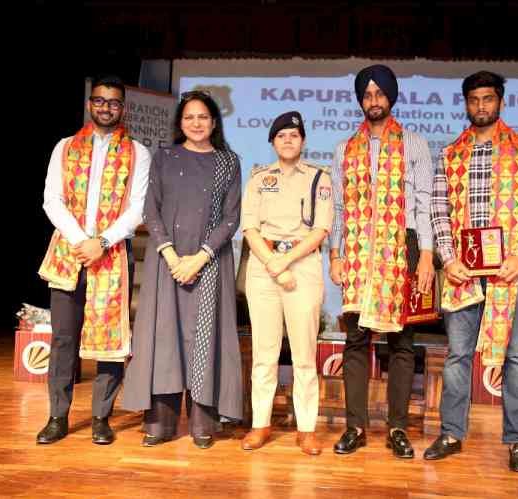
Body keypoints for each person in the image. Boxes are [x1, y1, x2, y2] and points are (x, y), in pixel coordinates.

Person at [424, 71, 518, 472]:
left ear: (500, 102)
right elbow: (438, 209)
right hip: (463, 271)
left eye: (488, 99)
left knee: (514, 357)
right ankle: (451, 432)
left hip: (509, 271)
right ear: (466, 104)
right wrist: (447, 256)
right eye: (474, 100)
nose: (481, 106)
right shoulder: (449, 153)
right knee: (458, 355)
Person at [121, 90, 243, 449]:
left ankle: (203, 423)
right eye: (189, 117)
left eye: (203, 117)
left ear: (214, 122)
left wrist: (200, 257)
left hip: (209, 263)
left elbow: (232, 217)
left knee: (205, 338)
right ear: (180, 123)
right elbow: (151, 210)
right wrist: (173, 257)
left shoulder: (228, 162)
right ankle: (161, 423)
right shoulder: (165, 157)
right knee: (166, 339)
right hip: (168, 263)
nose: (196, 123)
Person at [37, 74, 151, 445]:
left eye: (114, 102)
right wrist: (80, 240)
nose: (106, 107)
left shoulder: (138, 152)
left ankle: (102, 416)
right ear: (90, 103)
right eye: (100, 101)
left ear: (123, 107)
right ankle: (58, 415)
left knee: (111, 341)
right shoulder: (66, 147)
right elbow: (52, 199)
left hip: (112, 254)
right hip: (70, 253)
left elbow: (138, 207)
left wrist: (101, 241)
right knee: (63, 340)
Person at [328, 64, 435, 459]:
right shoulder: (344, 149)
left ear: (391, 97)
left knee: (401, 343)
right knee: (356, 340)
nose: (373, 101)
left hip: (401, 245)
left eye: (379, 93)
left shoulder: (415, 144)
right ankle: (355, 426)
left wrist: (425, 256)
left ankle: (397, 429)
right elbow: (338, 208)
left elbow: (423, 205)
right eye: (367, 94)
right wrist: (335, 254)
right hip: (357, 249)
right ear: (361, 100)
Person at [240, 111, 333, 456]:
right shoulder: (258, 178)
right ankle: (260, 424)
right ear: (273, 142)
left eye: (294, 135)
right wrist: (274, 263)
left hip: (302, 266)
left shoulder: (320, 178)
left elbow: (321, 230)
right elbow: (249, 229)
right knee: (264, 353)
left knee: (304, 355)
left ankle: (306, 428)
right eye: (281, 136)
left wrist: (284, 261)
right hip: (264, 266)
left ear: (303, 141)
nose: (289, 140)